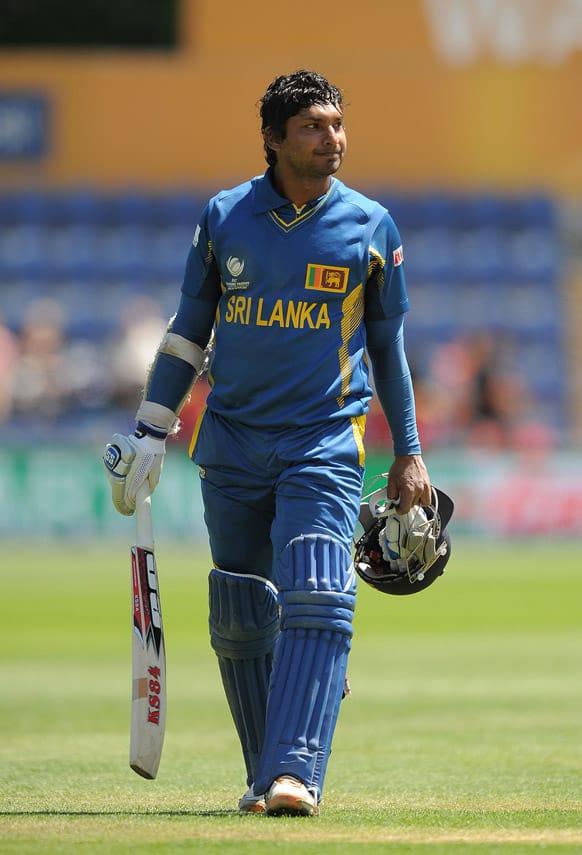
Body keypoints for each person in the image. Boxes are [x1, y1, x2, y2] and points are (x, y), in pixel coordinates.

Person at [103, 69, 432, 817]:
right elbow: (189, 331)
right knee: (244, 609)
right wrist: (151, 428)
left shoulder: (371, 225)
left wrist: (408, 448)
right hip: (232, 441)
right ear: (275, 139)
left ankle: (296, 770)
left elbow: (389, 345)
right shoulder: (226, 216)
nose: (332, 137)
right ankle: (265, 774)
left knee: (318, 588)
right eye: (314, 125)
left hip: (324, 439)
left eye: (338, 123)